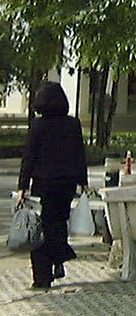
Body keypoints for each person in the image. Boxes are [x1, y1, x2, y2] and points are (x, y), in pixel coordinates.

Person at [16, 81, 88, 290]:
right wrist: (83, 182)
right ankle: (59, 257)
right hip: (66, 184)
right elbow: (79, 154)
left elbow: (29, 157)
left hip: (43, 184)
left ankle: (42, 277)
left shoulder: (38, 126)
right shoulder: (72, 124)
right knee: (58, 224)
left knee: (40, 230)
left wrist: (23, 186)